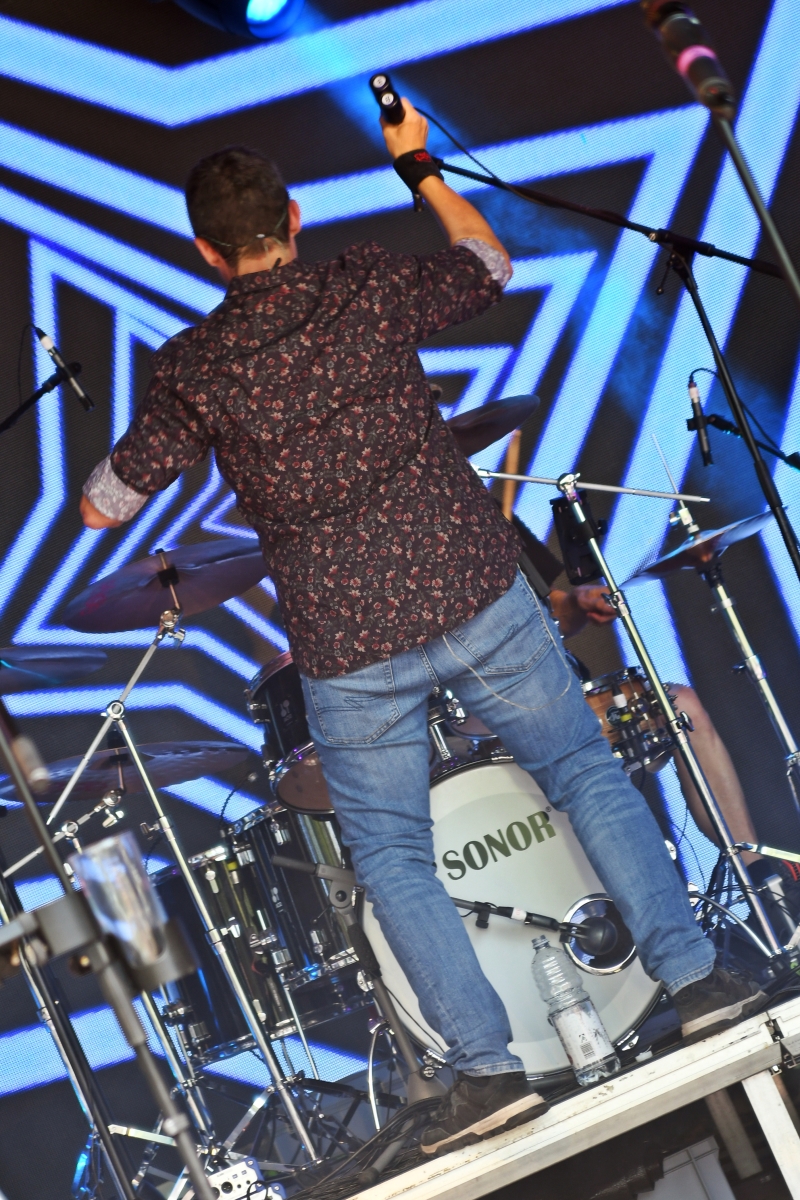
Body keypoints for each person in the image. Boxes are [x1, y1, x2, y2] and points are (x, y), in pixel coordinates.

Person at [80, 101, 765, 1159]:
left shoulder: (195, 366)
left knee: (394, 855)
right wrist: (420, 173)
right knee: (582, 774)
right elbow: (488, 266)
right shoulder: (364, 282)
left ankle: (486, 1072)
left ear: (206, 252)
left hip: (350, 644)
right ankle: (697, 980)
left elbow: (102, 505)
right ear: (294, 218)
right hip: (472, 590)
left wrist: (152, 443)